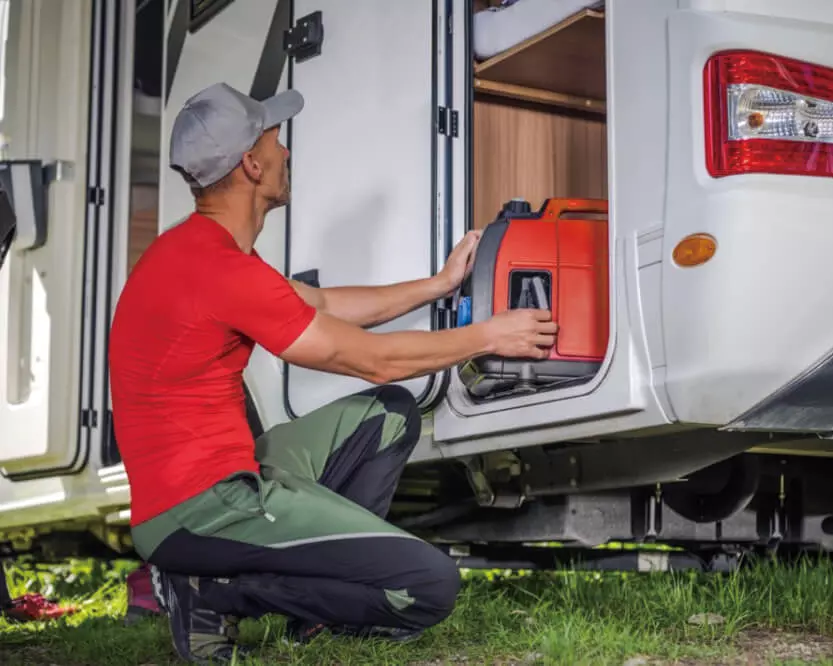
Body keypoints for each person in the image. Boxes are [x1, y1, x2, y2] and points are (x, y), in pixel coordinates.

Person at [107, 82, 557, 664]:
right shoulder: (220, 270)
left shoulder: (194, 253)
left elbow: (323, 305)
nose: (286, 152)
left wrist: (438, 284)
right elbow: (370, 357)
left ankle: (314, 607)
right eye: (276, 141)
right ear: (251, 164)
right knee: (428, 586)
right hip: (201, 509)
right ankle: (211, 589)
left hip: (212, 479)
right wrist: (491, 335)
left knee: (390, 414)